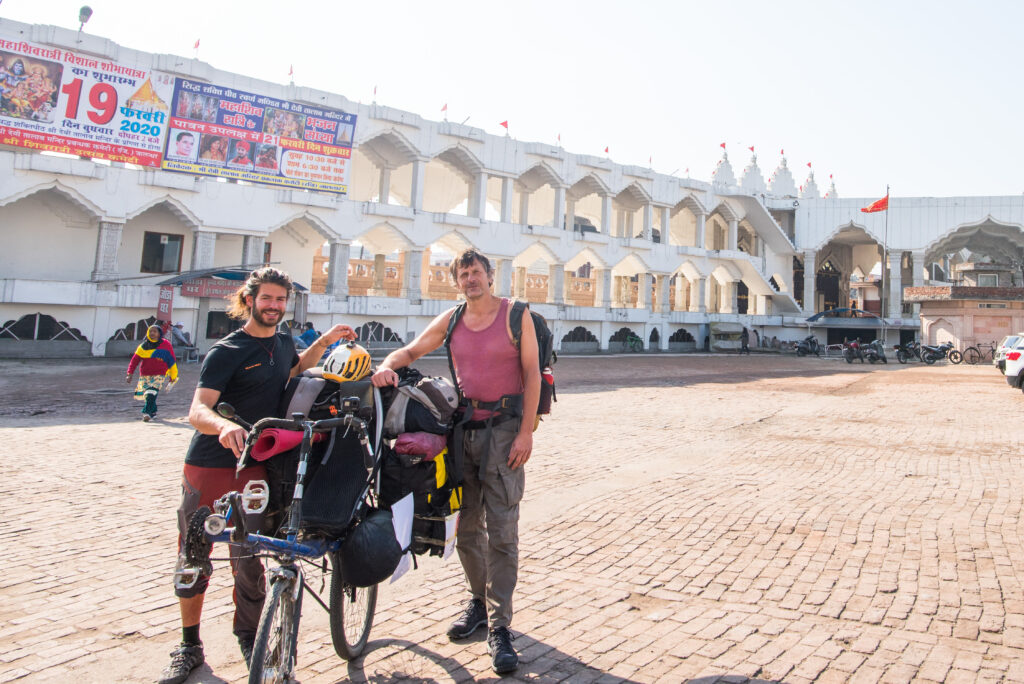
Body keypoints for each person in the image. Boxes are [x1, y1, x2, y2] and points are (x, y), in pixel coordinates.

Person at [158, 267, 356, 684]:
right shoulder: (227, 350)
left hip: (257, 467)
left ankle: (251, 637)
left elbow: (293, 369)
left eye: (281, 300)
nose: (274, 306)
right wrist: (224, 425)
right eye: (267, 299)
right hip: (211, 464)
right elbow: (197, 409)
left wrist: (327, 340)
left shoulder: (283, 343)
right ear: (249, 300)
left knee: (250, 558)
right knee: (195, 555)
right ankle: (189, 644)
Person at [371, 248, 539, 675]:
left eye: (476, 272)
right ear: (456, 280)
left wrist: (526, 432)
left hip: (504, 435)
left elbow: (533, 374)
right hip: (461, 434)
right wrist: (386, 367)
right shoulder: (451, 320)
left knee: (502, 531)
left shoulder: (516, 315)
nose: (471, 279)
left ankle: (501, 628)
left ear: (490, 275)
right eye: (463, 274)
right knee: (465, 529)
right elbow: (407, 352)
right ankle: (480, 604)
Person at [126, 325, 178, 421]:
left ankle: (147, 413)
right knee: (148, 395)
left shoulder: (166, 345)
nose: (152, 333)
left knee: (151, 392)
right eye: (150, 331)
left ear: (159, 333)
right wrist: (130, 373)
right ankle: (153, 412)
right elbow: (134, 361)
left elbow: (171, 361)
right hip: (145, 375)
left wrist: (173, 376)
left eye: (155, 331)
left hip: (159, 374)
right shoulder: (142, 347)